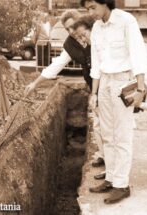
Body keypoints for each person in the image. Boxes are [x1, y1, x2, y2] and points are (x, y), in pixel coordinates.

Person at [81, 0, 147, 204]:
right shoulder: (96, 29)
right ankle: (110, 177)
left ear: (105, 3)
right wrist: (94, 93)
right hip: (104, 84)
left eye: (92, 7)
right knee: (107, 134)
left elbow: (138, 55)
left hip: (122, 81)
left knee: (122, 134)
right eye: (87, 9)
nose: (90, 12)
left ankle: (122, 184)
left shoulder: (126, 21)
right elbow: (96, 64)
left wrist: (140, 88)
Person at [25, 11, 106, 174]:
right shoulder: (70, 45)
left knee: (109, 126)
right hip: (94, 85)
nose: (71, 31)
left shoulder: (98, 32)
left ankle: (112, 164)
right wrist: (35, 83)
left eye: (73, 27)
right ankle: (103, 156)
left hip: (108, 81)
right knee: (98, 124)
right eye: (67, 29)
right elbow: (56, 65)